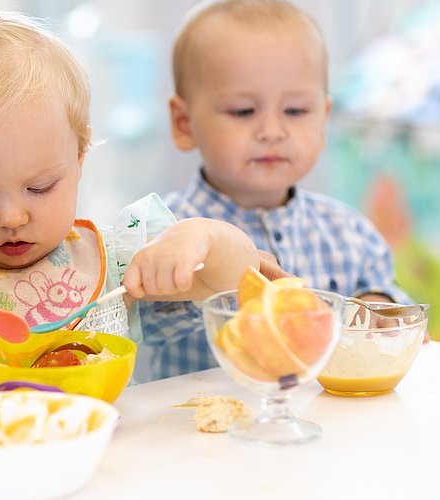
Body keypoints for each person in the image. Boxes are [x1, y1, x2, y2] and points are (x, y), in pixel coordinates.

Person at [0, 9, 262, 401]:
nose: (11, 217)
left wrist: (203, 236)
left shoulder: (112, 261)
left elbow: (238, 280)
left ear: (79, 160)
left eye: (40, 187)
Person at [148, 0, 414, 379]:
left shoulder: (348, 232)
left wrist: (377, 307)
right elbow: (146, 326)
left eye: (295, 111)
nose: (272, 131)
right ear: (184, 123)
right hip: (202, 429)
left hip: (324, 429)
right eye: (243, 111)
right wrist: (207, 274)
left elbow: (394, 310)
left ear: (323, 118)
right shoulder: (165, 230)